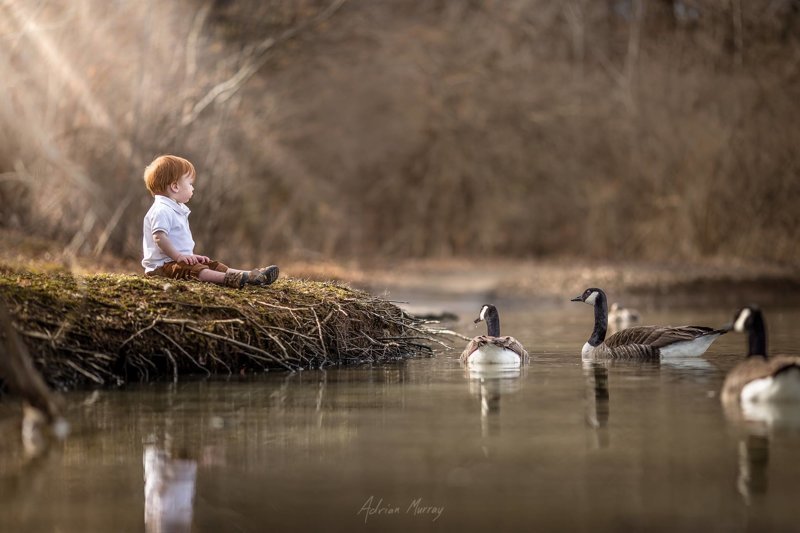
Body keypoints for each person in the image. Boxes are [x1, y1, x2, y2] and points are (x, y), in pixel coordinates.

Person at [141, 155, 279, 288]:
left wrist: (190, 256)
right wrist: (179, 256)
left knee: (212, 265)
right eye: (189, 184)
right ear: (175, 186)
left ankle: (250, 276)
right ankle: (228, 279)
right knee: (196, 270)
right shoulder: (161, 209)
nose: (192, 188)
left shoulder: (174, 209)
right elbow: (159, 237)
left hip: (175, 262)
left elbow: (177, 243)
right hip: (161, 268)